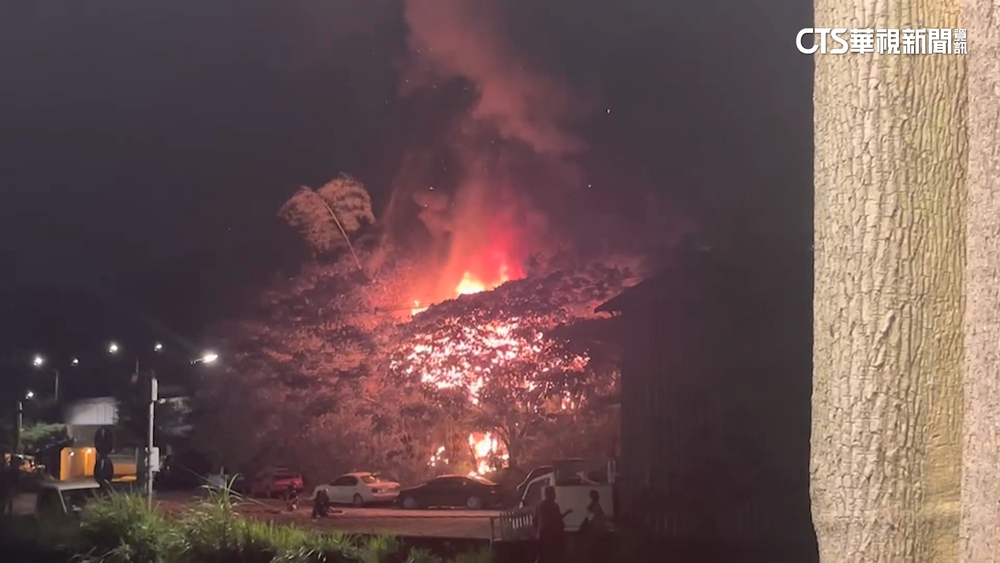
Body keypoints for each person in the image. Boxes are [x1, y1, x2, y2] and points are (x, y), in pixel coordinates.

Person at [534, 486, 571, 563]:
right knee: (556, 555)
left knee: (542, 556)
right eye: (553, 493)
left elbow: (535, 521)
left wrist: (537, 532)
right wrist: (566, 513)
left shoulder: (539, 505)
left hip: (541, 535)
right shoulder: (554, 506)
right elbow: (556, 519)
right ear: (551, 494)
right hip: (552, 536)